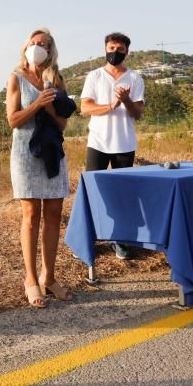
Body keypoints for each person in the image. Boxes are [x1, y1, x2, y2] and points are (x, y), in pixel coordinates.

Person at [6, 28, 75, 307]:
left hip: (52, 151)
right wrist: (37, 104)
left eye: (44, 44)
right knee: (31, 213)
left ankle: (49, 276)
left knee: (55, 212)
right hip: (25, 152)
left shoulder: (57, 80)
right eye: (34, 43)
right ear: (25, 47)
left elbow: (62, 125)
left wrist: (50, 108)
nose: (38, 47)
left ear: (51, 50)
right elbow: (13, 120)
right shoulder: (16, 78)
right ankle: (31, 279)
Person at [79, 31, 145, 260]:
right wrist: (111, 104)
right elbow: (85, 108)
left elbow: (137, 113)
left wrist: (125, 100)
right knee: (93, 192)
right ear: (104, 48)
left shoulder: (135, 78)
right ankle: (88, 238)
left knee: (122, 194)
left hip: (124, 144)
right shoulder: (95, 76)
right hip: (97, 143)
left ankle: (121, 240)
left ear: (127, 51)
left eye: (119, 49)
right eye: (110, 48)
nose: (114, 53)